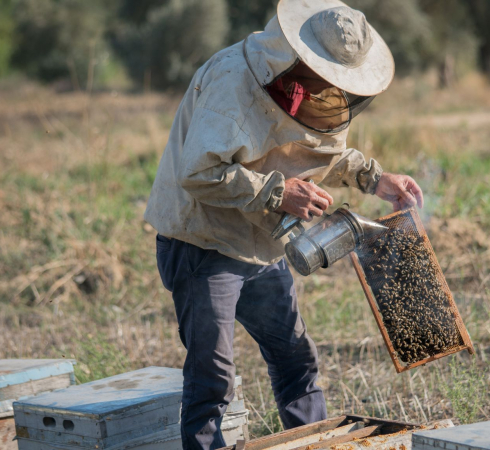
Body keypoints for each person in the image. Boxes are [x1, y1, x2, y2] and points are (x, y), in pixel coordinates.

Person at [144, 1, 424, 449]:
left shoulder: (310, 90)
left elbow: (319, 152)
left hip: (261, 246)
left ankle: (312, 442)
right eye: (330, 75)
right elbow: (197, 173)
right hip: (203, 244)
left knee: (296, 360)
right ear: (302, 58)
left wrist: (375, 178)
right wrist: (280, 193)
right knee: (212, 377)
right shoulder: (232, 83)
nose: (336, 89)